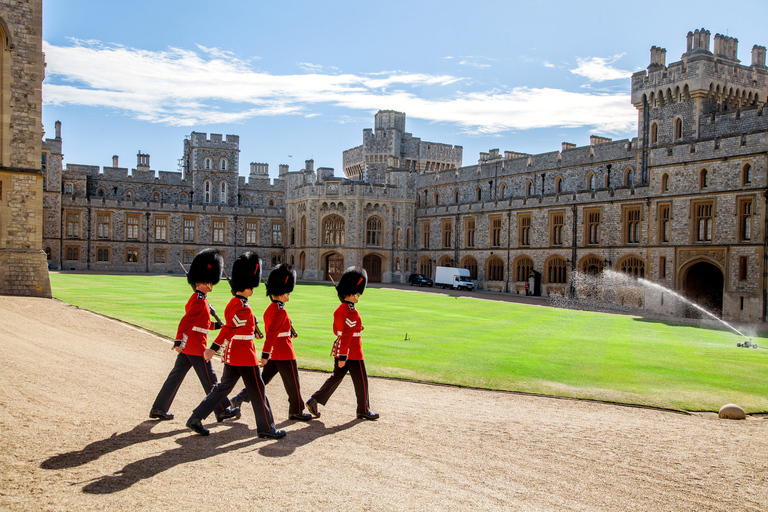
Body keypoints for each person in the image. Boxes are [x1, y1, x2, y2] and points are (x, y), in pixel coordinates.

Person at [186, 252, 285, 439]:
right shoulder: (243, 306)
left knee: (222, 388)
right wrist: (212, 348)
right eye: (251, 286)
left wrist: (252, 330)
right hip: (244, 356)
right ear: (248, 286)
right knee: (258, 390)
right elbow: (229, 328)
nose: (253, 290)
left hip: (233, 355)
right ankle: (266, 428)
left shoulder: (235, 303)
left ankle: (196, 417)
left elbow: (236, 326)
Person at [149, 248, 239, 423]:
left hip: (190, 346)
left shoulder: (199, 298)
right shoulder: (199, 300)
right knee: (211, 379)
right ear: (206, 281)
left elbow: (200, 324)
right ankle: (222, 410)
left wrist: (217, 325)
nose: (213, 285)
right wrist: (178, 341)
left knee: (174, 378)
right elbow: (186, 322)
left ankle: (159, 408)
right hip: (196, 347)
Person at [230, 263, 312, 421]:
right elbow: (273, 334)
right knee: (293, 384)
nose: (288, 294)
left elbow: (276, 330)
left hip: (275, 353)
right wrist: (265, 354)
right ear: (282, 293)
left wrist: (287, 334)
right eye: (287, 291)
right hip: (284, 352)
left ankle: (239, 398)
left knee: (262, 381)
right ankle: (296, 411)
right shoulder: (280, 310)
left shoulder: (271, 308)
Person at [305, 266, 379, 421]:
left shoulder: (339, 309)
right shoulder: (352, 311)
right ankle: (363, 410)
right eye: (357, 293)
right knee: (362, 382)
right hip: (352, 353)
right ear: (351, 294)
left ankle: (315, 399)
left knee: (335, 377)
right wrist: (344, 356)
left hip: (340, 350)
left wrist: (342, 353)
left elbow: (337, 330)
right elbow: (346, 335)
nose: (358, 296)